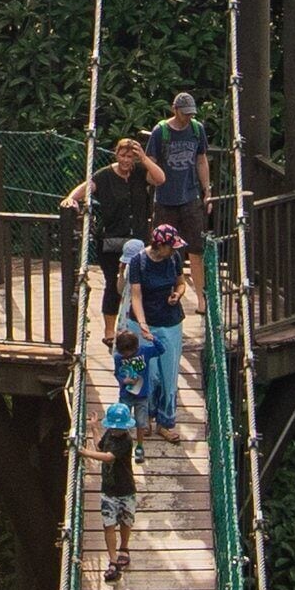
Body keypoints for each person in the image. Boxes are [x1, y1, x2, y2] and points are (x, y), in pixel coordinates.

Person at [60, 135, 159, 321]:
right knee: (112, 284)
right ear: (116, 154)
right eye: (122, 156)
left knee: (138, 283)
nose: (126, 160)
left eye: (130, 157)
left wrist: (144, 159)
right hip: (111, 239)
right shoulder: (104, 175)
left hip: (136, 239)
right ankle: (109, 330)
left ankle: (135, 324)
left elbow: (160, 179)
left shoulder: (139, 172)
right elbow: (85, 188)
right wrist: (71, 198)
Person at [123, 221, 194, 439]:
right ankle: (146, 419)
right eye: (170, 246)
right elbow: (135, 295)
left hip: (170, 323)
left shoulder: (173, 258)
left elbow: (180, 283)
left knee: (168, 375)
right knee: (148, 374)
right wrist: (143, 325)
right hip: (144, 323)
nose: (174, 250)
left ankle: (166, 422)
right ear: (158, 245)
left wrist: (178, 294)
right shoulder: (138, 262)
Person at [82, 399, 139, 583]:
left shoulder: (126, 441)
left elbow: (107, 457)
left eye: (119, 428)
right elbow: (101, 446)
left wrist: (85, 453)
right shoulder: (109, 434)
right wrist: (94, 428)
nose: (116, 430)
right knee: (108, 525)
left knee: (125, 521)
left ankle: (124, 547)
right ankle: (113, 561)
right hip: (108, 490)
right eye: (114, 427)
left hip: (126, 489)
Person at [146, 90, 212, 248]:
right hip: (165, 198)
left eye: (191, 114)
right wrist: (152, 179)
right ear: (174, 109)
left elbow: (201, 160)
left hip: (190, 194)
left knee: (196, 244)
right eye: (184, 114)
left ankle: (196, 273)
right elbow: (150, 162)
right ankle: (169, 272)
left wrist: (206, 191)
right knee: (163, 245)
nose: (188, 118)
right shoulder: (160, 132)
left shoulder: (197, 129)